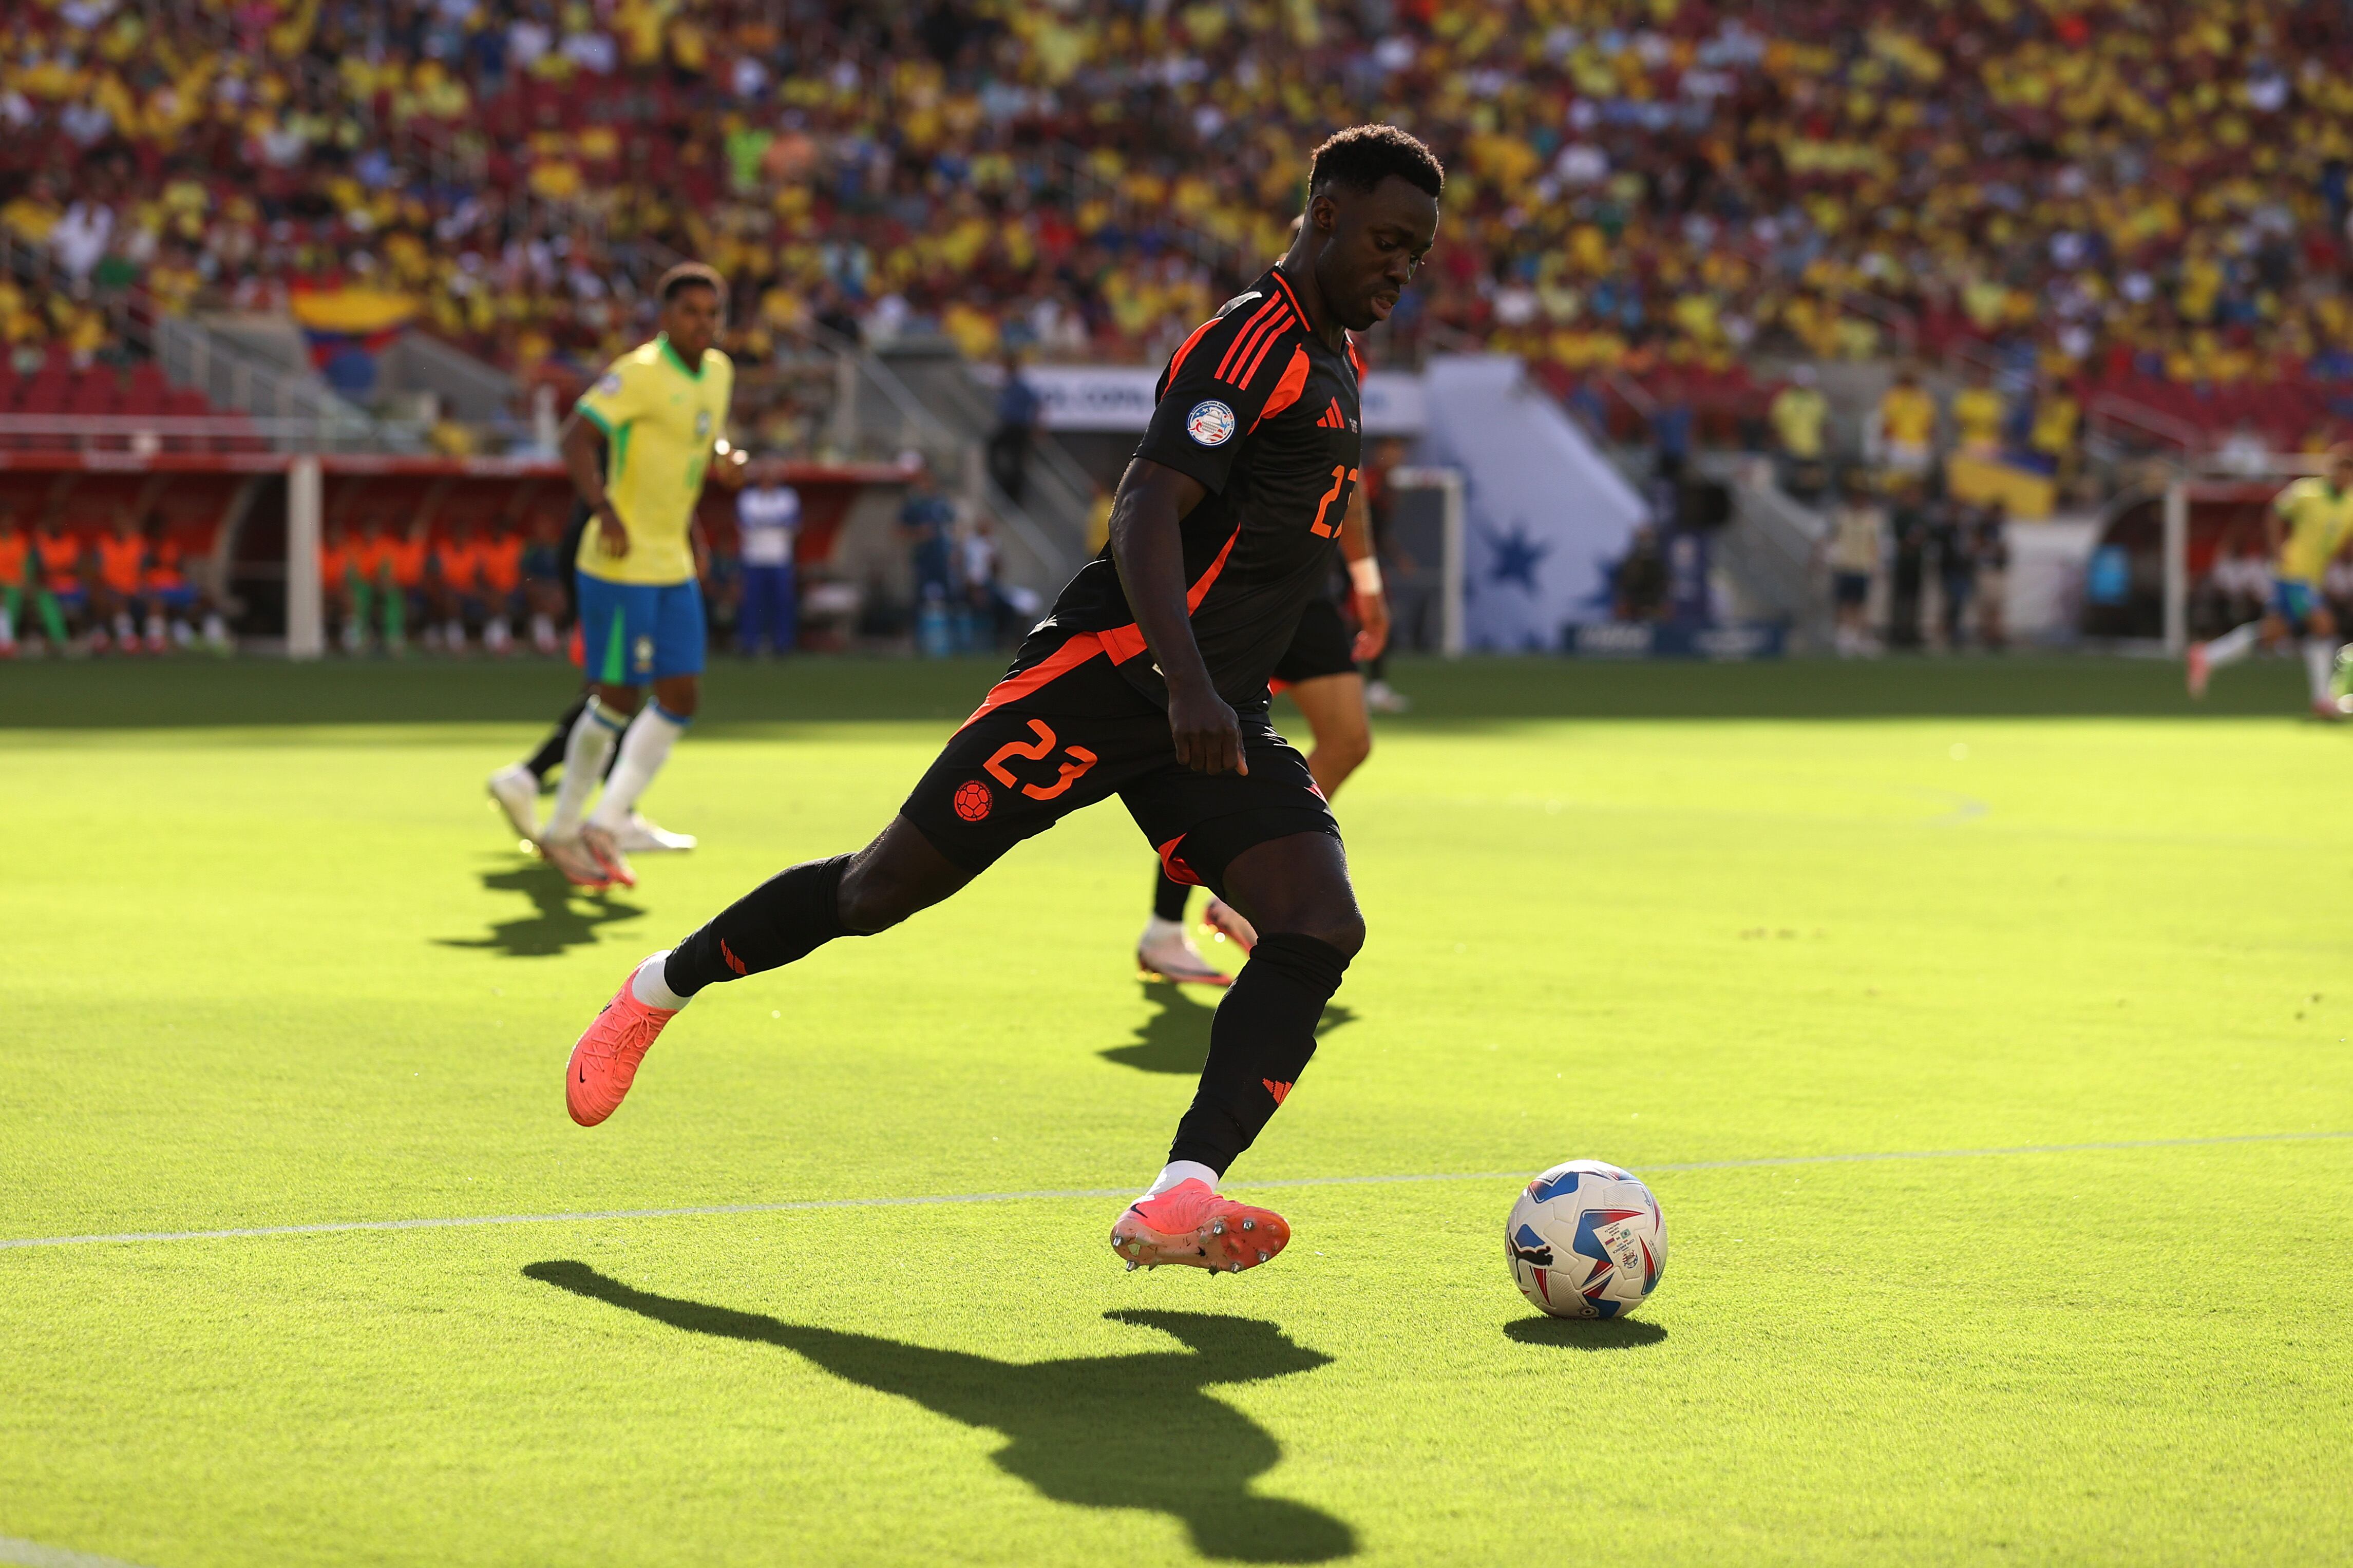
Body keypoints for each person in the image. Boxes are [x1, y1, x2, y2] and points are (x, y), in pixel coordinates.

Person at [559, 125, 1445, 1277]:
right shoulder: (1250, 343)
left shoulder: (1336, 361)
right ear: (1323, 213)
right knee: (877, 891)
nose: (1399, 270)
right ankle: (652, 991)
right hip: (1106, 681)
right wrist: (1184, 679)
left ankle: (1181, 1194)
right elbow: (1141, 512)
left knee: (1319, 923)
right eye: (1386, 241)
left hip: (1211, 709)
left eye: (1417, 256)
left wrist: (1257, 657)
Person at [534, 263, 744, 887]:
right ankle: (562, 831)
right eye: (690, 312)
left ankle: (606, 821)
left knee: (680, 697)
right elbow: (575, 439)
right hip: (619, 564)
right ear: (666, 317)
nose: (702, 323)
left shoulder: (719, 374)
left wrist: (721, 477)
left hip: (670, 561)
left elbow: (694, 453)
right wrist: (604, 510)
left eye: (712, 313)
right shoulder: (639, 373)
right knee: (618, 697)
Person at [1137, 480, 1392, 986]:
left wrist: (1367, 585)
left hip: (1304, 581)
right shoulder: (1252, 398)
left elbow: (1348, 487)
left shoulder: (1342, 402)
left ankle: (1234, 897)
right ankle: (1164, 930)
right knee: (1211, 749)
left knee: (1348, 741)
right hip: (1239, 578)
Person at [2188, 445, 2353, 718]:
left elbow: (2341, 542)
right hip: (2292, 573)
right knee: (2323, 625)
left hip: (2313, 578)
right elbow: (2275, 513)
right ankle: (2322, 699)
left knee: (2272, 632)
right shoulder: (2307, 493)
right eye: (2339, 470)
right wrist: (2278, 550)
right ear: (2330, 470)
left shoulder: (2349, 505)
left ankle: (2207, 656)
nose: (2343, 477)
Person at [735, 468, 800, 656]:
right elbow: (744, 523)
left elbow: (793, 523)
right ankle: (749, 644)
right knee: (751, 603)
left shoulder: (788, 497)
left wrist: (763, 522)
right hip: (753, 557)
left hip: (779, 558)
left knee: (782, 603)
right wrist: (773, 522)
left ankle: (782, 644)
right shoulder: (748, 497)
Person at [1823, 472, 1882, 657]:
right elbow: (1830, 538)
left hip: (1863, 565)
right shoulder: (1841, 515)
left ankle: (1858, 637)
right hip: (1844, 565)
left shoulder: (1873, 518)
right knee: (1844, 603)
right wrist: (1828, 557)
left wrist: (1877, 564)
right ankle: (1844, 637)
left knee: (1860, 604)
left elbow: (1876, 543)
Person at [987, 351, 1042, 505]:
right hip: (1012, 426)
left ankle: (1013, 494)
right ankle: (1007, 487)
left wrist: (1036, 427)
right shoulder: (1011, 385)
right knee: (1003, 453)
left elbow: (1037, 404)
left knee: (1016, 460)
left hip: (1018, 427)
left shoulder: (1020, 386)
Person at [1769, 365, 1829, 500]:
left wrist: (1828, 444)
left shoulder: (1817, 400)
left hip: (1813, 450)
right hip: (1791, 450)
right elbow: (1775, 426)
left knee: (1813, 485)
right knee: (1793, 487)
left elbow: (1824, 425)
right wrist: (1780, 445)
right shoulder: (1784, 400)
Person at [1876, 366, 1937, 477]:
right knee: (1897, 480)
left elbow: (1930, 424)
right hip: (1899, 444)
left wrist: (1931, 446)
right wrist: (1885, 446)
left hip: (1919, 444)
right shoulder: (1893, 396)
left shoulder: (1924, 398)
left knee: (1917, 480)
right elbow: (1888, 423)